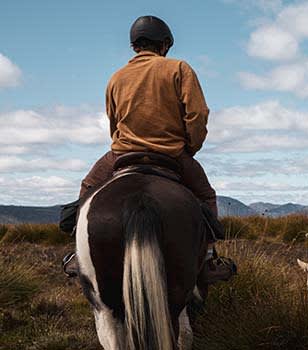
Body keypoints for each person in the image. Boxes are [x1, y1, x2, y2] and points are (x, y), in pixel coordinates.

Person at [62, 15, 234, 284]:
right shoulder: (179, 69)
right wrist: (190, 147)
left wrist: (123, 144)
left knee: (87, 188)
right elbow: (197, 114)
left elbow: (114, 121)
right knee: (206, 194)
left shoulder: (116, 77)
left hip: (122, 152)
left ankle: (78, 253)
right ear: (164, 44)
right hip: (171, 153)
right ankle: (211, 257)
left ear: (135, 46)